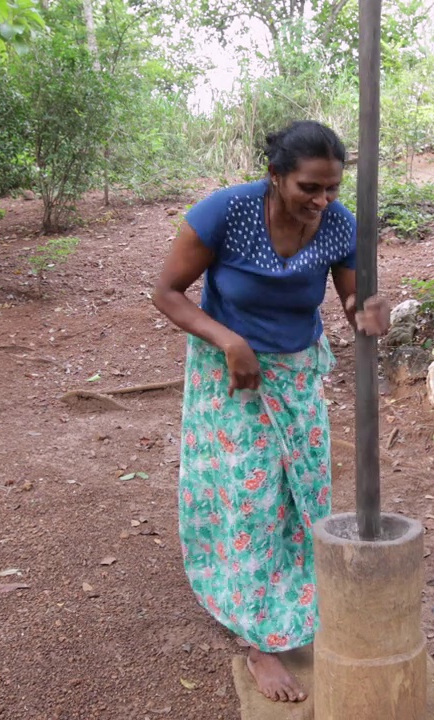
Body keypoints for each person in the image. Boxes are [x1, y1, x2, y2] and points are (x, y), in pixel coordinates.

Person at [152, 120, 390, 703]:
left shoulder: (337, 224)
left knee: (303, 493)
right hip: (230, 373)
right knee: (252, 495)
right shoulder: (223, 214)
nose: (322, 200)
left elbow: (350, 295)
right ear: (276, 176)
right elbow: (166, 292)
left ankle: (297, 594)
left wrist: (368, 308)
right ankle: (261, 640)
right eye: (310, 187)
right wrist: (230, 341)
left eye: (332, 187)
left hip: (296, 371)